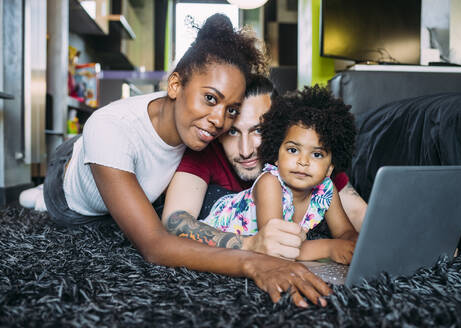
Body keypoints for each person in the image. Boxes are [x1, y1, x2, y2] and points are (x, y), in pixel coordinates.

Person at [19, 14, 331, 308]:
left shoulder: (201, 132)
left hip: (132, 175)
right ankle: (40, 193)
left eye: (231, 109)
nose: (219, 120)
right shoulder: (110, 128)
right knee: (80, 206)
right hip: (69, 189)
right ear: (175, 85)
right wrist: (253, 259)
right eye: (210, 98)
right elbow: (154, 246)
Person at [163, 76, 367, 260]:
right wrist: (330, 248)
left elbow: (359, 219)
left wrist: (352, 244)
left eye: (258, 130)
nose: (245, 151)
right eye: (233, 132)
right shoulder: (210, 152)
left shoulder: (314, 164)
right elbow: (174, 222)